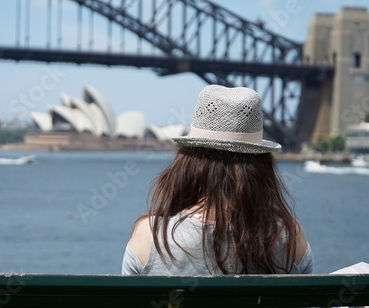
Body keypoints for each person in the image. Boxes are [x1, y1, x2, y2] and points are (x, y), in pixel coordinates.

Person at [122, 85, 313, 276]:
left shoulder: (149, 235)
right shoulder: (289, 236)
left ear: (189, 161)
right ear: (261, 165)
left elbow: (130, 306)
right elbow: (302, 305)